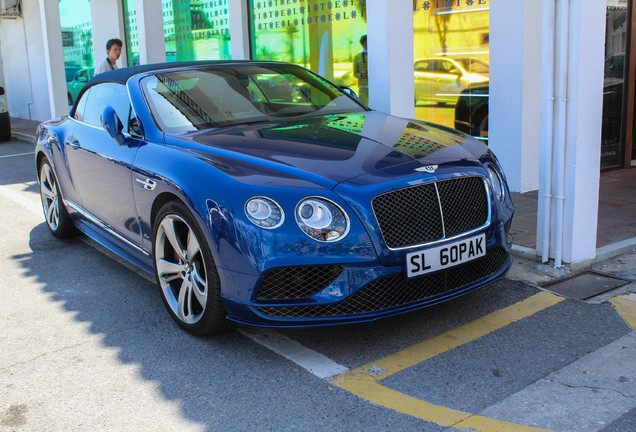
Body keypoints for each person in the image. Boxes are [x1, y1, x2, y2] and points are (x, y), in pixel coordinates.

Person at [353, 35, 368, 105]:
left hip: (375, 87)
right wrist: (362, 75)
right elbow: (355, 74)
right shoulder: (357, 57)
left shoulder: (375, 55)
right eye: (365, 43)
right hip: (363, 88)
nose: (366, 45)